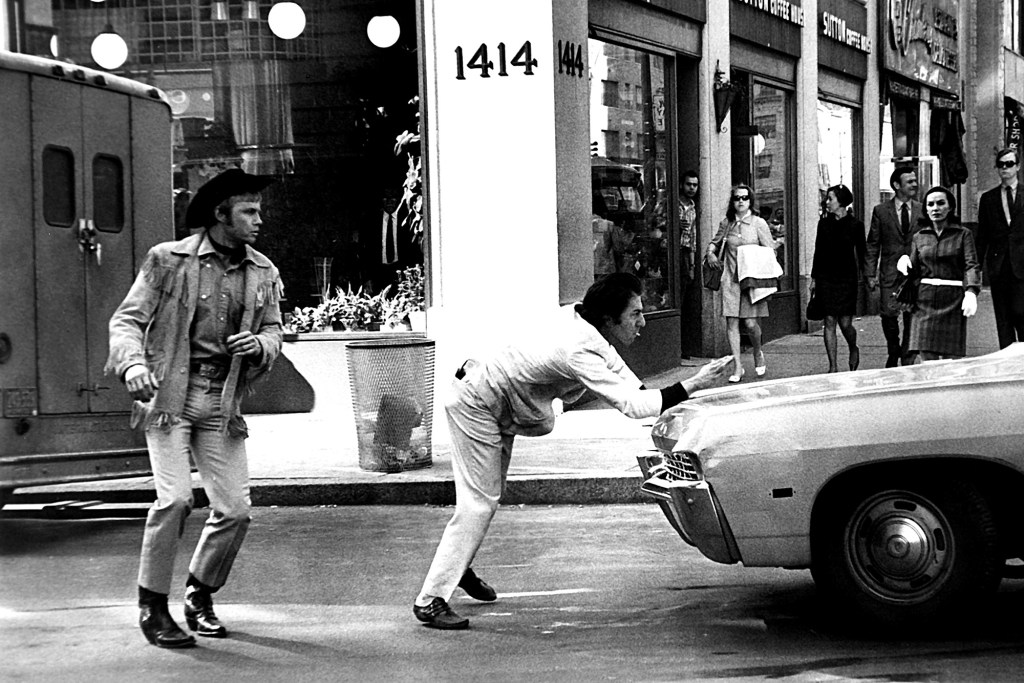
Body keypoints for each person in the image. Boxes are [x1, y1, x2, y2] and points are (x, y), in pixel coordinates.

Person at [412, 273, 732, 630]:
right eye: (635, 315)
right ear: (610, 320)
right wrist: (695, 383)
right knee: (478, 502)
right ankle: (430, 599)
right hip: (478, 403)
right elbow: (633, 405)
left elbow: (626, 379)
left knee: (485, 499)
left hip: (493, 400)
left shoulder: (584, 321)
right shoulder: (578, 348)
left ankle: (457, 565)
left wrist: (678, 400)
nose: (643, 322)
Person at [106, 168, 285, 648]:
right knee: (176, 500)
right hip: (168, 397)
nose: (258, 220)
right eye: (248, 211)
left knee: (235, 509)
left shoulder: (262, 270)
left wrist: (261, 345)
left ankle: (200, 592)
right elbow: (127, 321)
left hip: (221, 400)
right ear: (219, 214)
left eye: (259, 210)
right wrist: (132, 366)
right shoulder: (168, 260)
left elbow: (275, 329)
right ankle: (152, 606)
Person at [896, 186, 981, 361]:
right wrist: (905, 261)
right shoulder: (919, 237)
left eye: (941, 203)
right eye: (931, 204)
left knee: (951, 362)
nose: (935, 208)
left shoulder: (963, 235)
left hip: (952, 300)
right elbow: (914, 269)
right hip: (924, 301)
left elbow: (971, 265)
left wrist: (971, 291)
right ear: (925, 209)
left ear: (950, 207)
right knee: (926, 358)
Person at [704, 184, 776, 383]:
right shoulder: (726, 223)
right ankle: (738, 366)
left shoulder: (758, 223)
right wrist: (710, 253)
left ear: (750, 200)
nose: (741, 201)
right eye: (737, 198)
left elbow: (770, 251)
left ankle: (757, 351)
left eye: (745, 198)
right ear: (733, 201)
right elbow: (715, 242)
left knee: (751, 324)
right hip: (730, 280)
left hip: (751, 280)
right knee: (732, 323)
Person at [865, 166, 922, 367]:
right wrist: (870, 273)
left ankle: (907, 357)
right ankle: (893, 349)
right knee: (889, 315)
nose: (914, 184)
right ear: (897, 185)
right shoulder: (881, 211)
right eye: (909, 181)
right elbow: (873, 243)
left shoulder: (922, 209)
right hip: (890, 273)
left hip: (915, 274)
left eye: (915, 180)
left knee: (911, 316)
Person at [810, 184, 866, 372]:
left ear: (841, 202)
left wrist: (868, 277)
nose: (827, 202)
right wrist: (813, 278)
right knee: (829, 320)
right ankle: (832, 367)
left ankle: (853, 347)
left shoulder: (855, 225)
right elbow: (818, 251)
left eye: (830, 199)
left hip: (847, 279)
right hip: (826, 278)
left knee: (845, 324)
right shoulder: (823, 223)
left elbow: (863, 253)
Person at [976, 147, 1024, 348]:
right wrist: (976, 269)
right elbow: (982, 237)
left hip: (1023, 266)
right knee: (1003, 321)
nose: (1005, 168)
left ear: (1018, 166)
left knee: (1023, 316)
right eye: (1001, 164)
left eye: (1009, 164)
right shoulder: (988, 199)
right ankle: (1007, 366)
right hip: (999, 267)